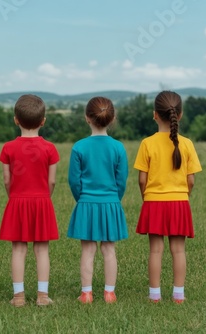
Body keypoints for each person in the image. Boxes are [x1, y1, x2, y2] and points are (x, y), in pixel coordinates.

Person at [134, 90, 202, 304]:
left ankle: (155, 295)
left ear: (155, 114)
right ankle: (178, 295)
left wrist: (147, 197)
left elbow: (142, 180)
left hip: (154, 202)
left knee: (155, 250)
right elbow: (190, 181)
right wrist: (185, 195)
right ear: (179, 115)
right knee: (178, 250)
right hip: (180, 202)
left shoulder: (147, 143)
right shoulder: (188, 144)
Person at [0, 94, 60, 307]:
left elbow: (7, 179)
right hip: (42, 201)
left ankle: (18, 296)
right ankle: (43, 296)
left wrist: (13, 195)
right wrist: (45, 197)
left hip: (17, 200)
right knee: (42, 249)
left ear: (16, 119)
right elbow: (52, 181)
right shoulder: (50, 148)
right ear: (43, 121)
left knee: (18, 249)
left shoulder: (8, 148)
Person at [67, 96, 128, 304]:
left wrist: (82, 199)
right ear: (112, 119)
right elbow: (121, 180)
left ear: (87, 118)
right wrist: (113, 199)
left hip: (86, 204)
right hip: (111, 203)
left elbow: (74, 181)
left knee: (88, 250)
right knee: (109, 249)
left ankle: (86, 293)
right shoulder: (118, 148)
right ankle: (109, 293)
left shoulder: (79, 147)